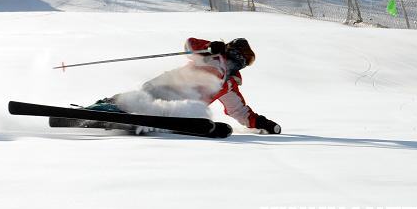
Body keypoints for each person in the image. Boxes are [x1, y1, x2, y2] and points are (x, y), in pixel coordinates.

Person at [88, 37, 281, 134]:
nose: (245, 62)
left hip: (180, 106)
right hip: (168, 85)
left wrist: (263, 123)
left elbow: (239, 111)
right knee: (140, 100)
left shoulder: (229, 84)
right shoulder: (212, 55)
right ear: (235, 51)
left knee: (158, 107)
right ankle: (104, 108)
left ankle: (131, 117)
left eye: (249, 60)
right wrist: (210, 46)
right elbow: (190, 45)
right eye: (245, 56)